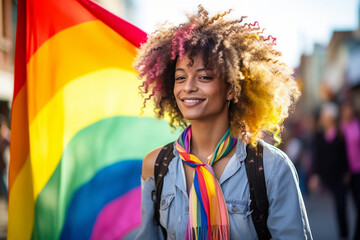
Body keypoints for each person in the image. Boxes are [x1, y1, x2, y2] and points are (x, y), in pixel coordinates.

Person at [135, 6, 312, 240]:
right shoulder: (155, 166)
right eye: (180, 78)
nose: (188, 87)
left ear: (231, 88)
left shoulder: (271, 167)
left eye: (204, 77)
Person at [313, 102, 349, 240]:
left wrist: (346, 172)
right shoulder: (320, 135)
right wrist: (316, 175)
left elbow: (344, 154)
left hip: (340, 174)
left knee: (341, 204)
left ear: (331, 118)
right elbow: (318, 156)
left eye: (325, 116)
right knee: (335, 202)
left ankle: (343, 234)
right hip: (327, 175)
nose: (323, 118)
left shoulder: (340, 133)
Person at [340, 101, 360, 240]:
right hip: (343, 172)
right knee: (341, 205)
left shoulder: (357, 124)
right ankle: (344, 234)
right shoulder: (339, 128)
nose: (348, 112)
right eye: (346, 109)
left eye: (350, 109)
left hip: (358, 170)